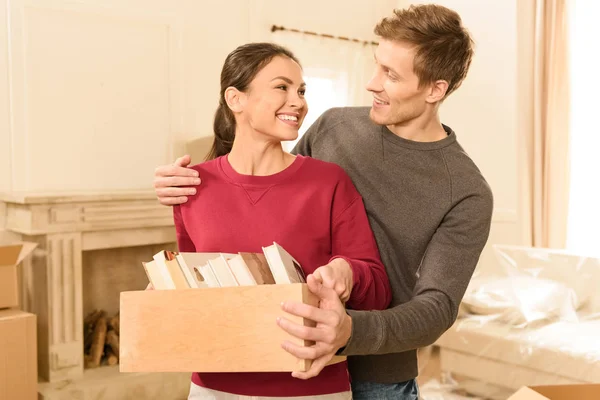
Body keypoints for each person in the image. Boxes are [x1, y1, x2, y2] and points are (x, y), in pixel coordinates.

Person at [153, 4, 493, 400]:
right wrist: (192, 184)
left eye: (391, 75)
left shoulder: (466, 191)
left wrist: (349, 330)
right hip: (279, 354)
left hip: (378, 375)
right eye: (376, 65)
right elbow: (268, 188)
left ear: (435, 89)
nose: (371, 83)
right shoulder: (335, 126)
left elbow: (437, 308)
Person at [167, 42, 392, 399]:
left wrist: (346, 272)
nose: (298, 101)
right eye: (282, 87)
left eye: (301, 90)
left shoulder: (328, 181)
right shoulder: (192, 186)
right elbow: (193, 293)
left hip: (313, 388)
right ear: (235, 99)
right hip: (214, 388)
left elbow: (378, 288)